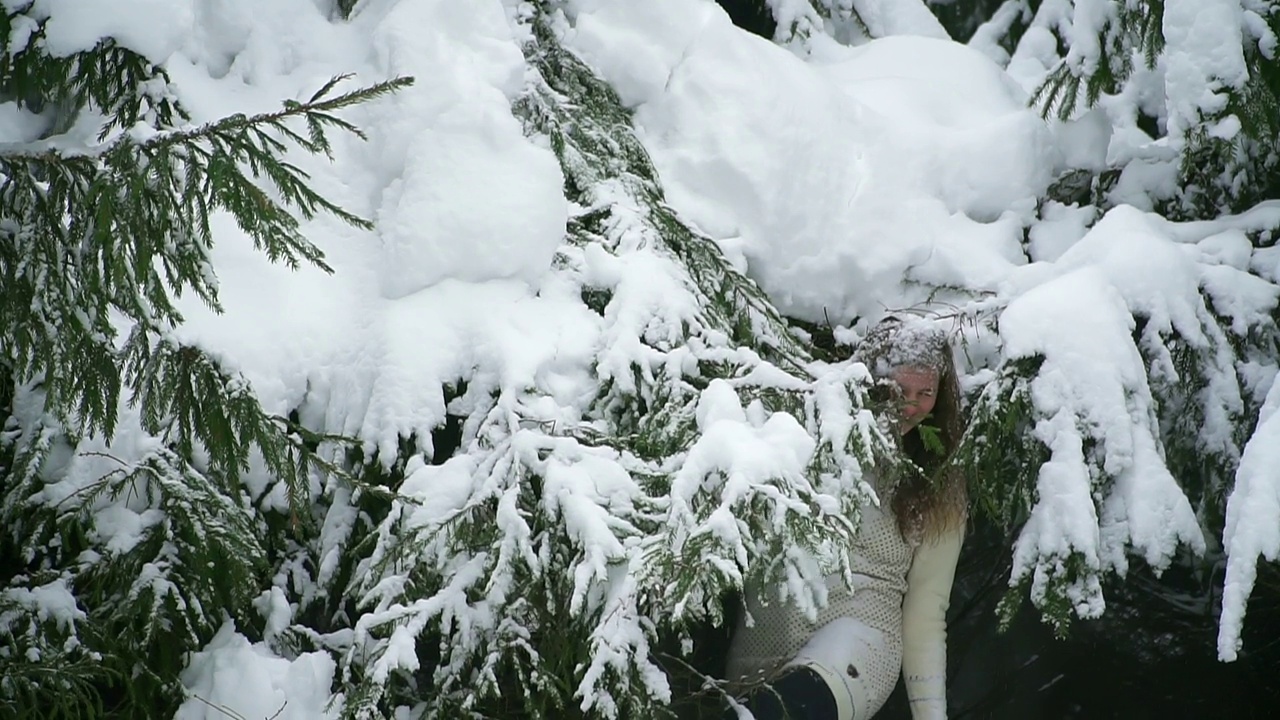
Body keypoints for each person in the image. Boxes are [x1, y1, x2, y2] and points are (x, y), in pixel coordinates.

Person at [723, 316, 968, 720]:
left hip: (860, 640)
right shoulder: (810, 427)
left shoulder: (940, 481)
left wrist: (931, 715)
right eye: (900, 389)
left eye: (926, 392)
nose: (911, 405)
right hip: (765, 638)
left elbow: (926, 609)